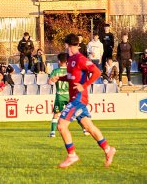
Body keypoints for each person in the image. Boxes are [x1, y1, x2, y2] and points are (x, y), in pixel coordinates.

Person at [49, 34, 116, 168]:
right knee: (89, 127)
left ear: (67, 44)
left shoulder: (80, 58)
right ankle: (108, 149)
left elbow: (97, 72)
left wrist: (84, 86)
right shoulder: (71, 60)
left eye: (64, 44)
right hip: (74, 98)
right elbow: (71, 77)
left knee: (61, 126)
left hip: (79, 99)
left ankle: (72, 155)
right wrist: (59, 78)